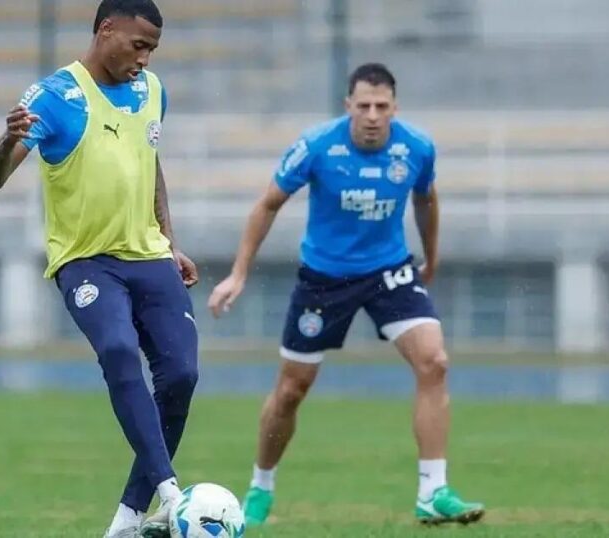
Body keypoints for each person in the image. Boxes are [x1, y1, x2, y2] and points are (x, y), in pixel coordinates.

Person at [207, 63, 485, 526]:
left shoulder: (417, 148)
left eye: (382, 106)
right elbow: (267, 204)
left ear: (395, 108)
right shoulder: (317, 146)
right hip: (324, 278)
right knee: (291, 390)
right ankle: (261, 486)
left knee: (434, 362)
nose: (373, 115)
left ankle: (433, 492)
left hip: (389, 271)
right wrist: (238, 274)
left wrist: (431, 258)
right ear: (348, 106)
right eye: (364, 106)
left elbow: (426, 200)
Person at [0, 1, 198, 536]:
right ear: (106, 30)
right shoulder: (54, 96)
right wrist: (7, 140)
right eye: (138, 46)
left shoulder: (152, 91)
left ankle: (128, 518)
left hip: (149, 255)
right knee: (119, 350)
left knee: (181, 376)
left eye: (153, 50)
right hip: (87, 261)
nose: (145, 59)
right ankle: (172, 493)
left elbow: (150, 164)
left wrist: (170, 243)